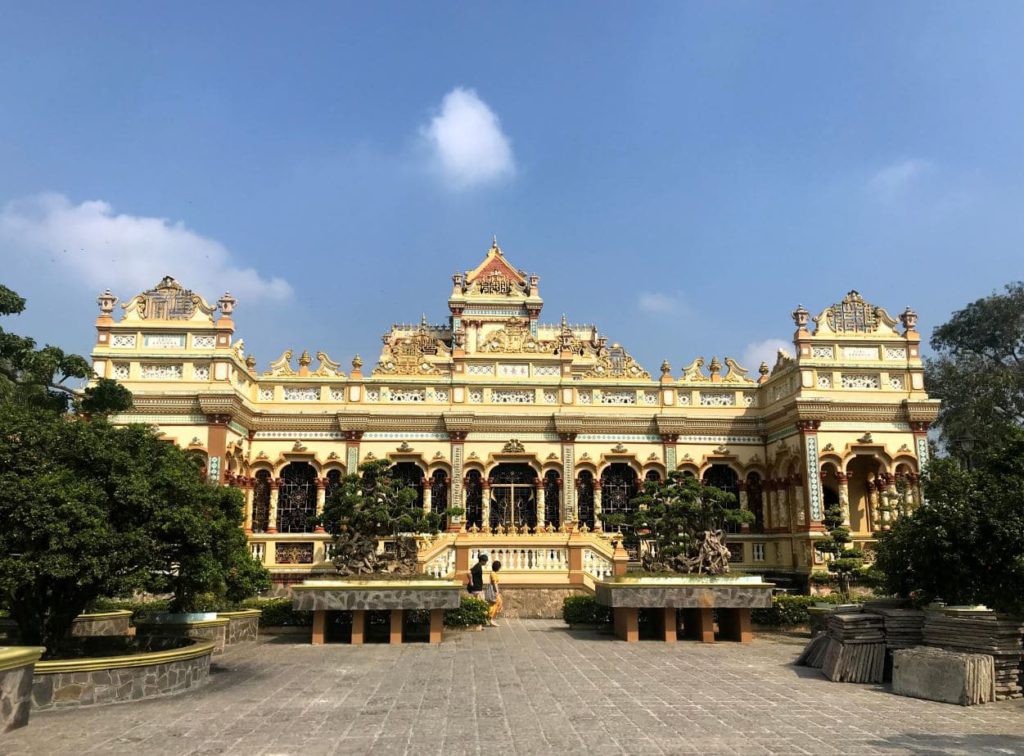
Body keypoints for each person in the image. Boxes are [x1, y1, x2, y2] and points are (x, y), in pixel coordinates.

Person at [486, 560, 503, 627]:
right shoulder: (493, 574)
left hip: (494, 591)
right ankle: (490, 619)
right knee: (496, 604)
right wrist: (497, 592)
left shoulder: (493, 573)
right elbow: (494, 583)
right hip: (494, 592)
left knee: (497, 604)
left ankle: (490, 618)